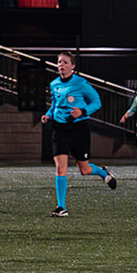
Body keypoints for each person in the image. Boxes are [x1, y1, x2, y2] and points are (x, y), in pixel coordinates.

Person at [41, 51, 117, 217]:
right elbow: (54, 105)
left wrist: (83, 111)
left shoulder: (81, 83)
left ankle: (103, 173)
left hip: (78, 129)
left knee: (85, 169)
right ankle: (61, 207)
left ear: (73, 66)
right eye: (59, 62)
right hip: (59, 128)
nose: (61, 65)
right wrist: (48, 114)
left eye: (65, 62)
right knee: (60, 167)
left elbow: (96, 102)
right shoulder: (54, 84)